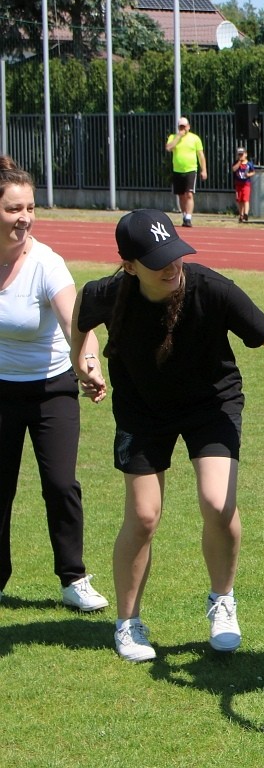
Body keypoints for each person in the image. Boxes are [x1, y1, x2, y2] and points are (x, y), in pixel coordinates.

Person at [71, 209, 264, 662]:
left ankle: (222, 601)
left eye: (176, 254)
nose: (172, 266)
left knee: (218, 505)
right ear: (129, 266)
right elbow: (82, 322)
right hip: (142, 408)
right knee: (143, 517)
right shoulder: (108, 292)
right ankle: (128, 623)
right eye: (157, 260)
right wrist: (83, 362)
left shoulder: (211, 289)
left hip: (210, 405)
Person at [0, 155, 109, 612]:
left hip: (51, 388)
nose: (24, 218)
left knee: (60, 484)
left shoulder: (46, 263)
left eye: (29, 208)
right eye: (13, 209)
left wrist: (89, 363)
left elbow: (76, 322)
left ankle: (74, 578)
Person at [164, 116, 207, 228]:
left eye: (184, 126)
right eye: (181, 126)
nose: (183, 128)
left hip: (190, 169)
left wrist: (204, 170)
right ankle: (184, 215)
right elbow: (168, 148)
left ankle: (188, 217)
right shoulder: (173, 137)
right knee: (181, 195)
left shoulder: (195, 138)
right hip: (177, 170)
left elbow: (201, 155)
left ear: (188, 126)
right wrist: (178, 137)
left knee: (189, 194)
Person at [231, 147, 256, 223]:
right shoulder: (236, 162)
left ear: (246, 154)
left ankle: (246, 214)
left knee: (245, 199)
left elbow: (253, 172)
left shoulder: (249, 164)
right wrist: (239, 162)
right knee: (239, 200)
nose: (241, 156)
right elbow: (234, 169)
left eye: (242, 154)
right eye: (239, 155)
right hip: (238, 184)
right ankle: (241, 215)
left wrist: (249, 174)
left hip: (246, 184)